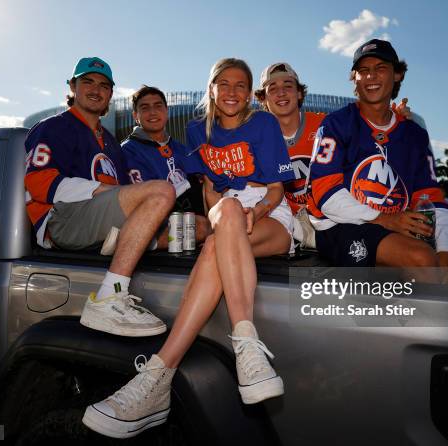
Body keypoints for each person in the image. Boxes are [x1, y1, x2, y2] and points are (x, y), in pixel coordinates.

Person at [308, 38, 448, 427]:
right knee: (421, 260)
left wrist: (446, 246)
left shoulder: (414, 134)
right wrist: (386, 219)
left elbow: (431, 196)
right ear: (353, 79)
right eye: (364, 70)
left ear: (397, 76)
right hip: (346, 225)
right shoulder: (337, 123)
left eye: (381, 69)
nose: (372, 77)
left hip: (404, 224)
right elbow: (324, 194)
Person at [82, 58, 295, 439]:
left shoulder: (262, 123)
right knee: (222, 223)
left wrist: (255, 210)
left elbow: (277, 190)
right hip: (227, 213)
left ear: (249, 93)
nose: (232, 91)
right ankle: (242, 345)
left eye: (241, 85)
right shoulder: (199, 131)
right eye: (223, 83)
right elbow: (211, 191)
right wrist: (224, 214)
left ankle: (158, 375)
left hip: (271, 216)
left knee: (221, 234)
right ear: (211, 88)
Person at [24, 57, 172, 337]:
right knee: (162, 190)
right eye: (87, 82)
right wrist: (101, 189)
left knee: (192, 227)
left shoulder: (110, 140)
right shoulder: (54, 126)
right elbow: (37, 182)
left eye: (103, 85)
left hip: (98, 221)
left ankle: (131, 242)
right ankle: (110, 297)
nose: (96, 89)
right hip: (62, 221)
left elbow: (130, 196)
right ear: (72, 86)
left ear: (110, 94)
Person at [254, 62, 411, 249]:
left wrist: (394, 120)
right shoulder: (256, 139)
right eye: (273, 89)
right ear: (263, 99)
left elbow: (374, 138)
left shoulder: (328, 125)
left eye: (288, 86)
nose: (281, 93)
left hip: (337, 216)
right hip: (293, 224)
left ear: (299, 93)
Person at [119, 85, 211, 250]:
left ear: (166, 111)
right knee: (204, 227)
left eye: (158, 106)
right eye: (145, 108)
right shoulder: (127, 150)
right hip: (155, 221)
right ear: (135, 116)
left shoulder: (181, 149)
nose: (153, 112)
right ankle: (147, 242)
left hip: (189, 217)